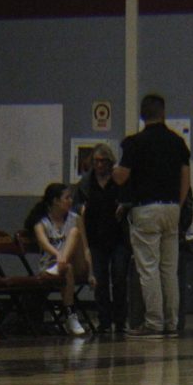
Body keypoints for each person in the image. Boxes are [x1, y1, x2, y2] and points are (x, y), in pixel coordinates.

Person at [112, 93, 191, 338]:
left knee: (149, 269)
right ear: (163, 113)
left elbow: (122, 177)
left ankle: (154, 323)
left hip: (146, 209)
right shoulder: (178, 142)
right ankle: (172, 322)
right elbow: (185, 181)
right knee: (170, 269)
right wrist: (176, 206)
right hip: (172, 208)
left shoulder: (134, 143)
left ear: (142, 115)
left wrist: (114, 169)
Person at [73, 142, 130, 335]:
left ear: (110, 162)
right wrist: (81, 210)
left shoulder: (118, 181)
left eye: (103, 161)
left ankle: (121, 320)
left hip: (118, 237)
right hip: (96, 237)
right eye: (96, 161)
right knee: (100, 280)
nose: (99, 165)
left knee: (120, 277)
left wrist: (125, 205)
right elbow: (76, 206)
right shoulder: (86, 183)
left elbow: (131, 198)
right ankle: (104, 321)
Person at [24, 182, 95, 336]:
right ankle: (70, 316)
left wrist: (91, 273)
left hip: (76, 265)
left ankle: (60, 265)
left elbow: (85, 247)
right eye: (67, 198)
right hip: (50, 265)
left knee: (74, 233)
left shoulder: (75, 218)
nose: (71, 201)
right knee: (66, 268)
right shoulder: (41, 221)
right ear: (56, 201)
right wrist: (58, 255)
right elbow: (43, 242)